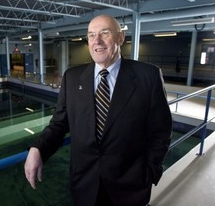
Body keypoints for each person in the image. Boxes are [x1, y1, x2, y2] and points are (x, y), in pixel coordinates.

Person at [24, 14, 172, 206]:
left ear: (120, 38)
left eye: (104, 33)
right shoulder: (72, 78)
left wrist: (149, 171)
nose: (97, 41)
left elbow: (161, 130)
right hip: (85, 184)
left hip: (130, 186)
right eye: (91, 35)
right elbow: (59, 123)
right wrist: (38, 149)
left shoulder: (148, 76)